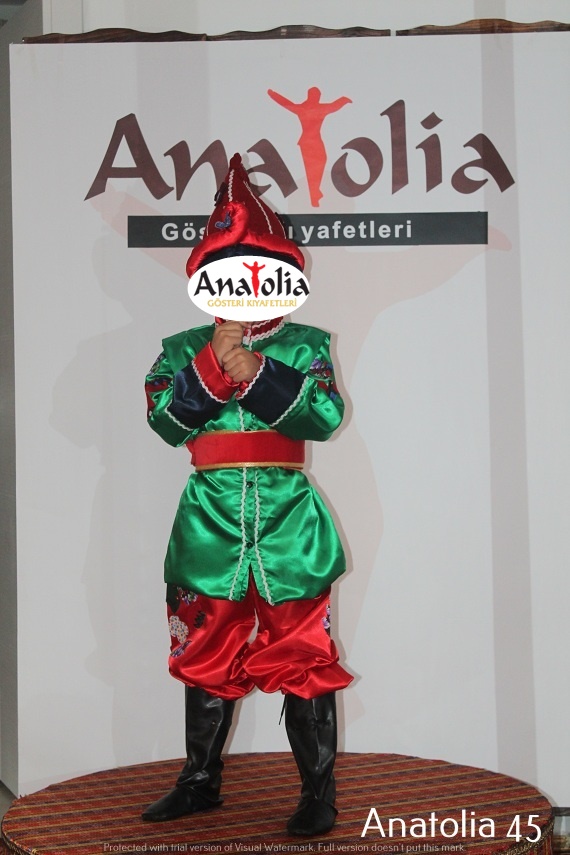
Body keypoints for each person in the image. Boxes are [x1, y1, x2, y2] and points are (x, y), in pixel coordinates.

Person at [142, 154, 352, 836]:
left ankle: (317, 794)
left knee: (305, 655)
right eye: (230, 267)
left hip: (292, 526)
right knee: (204, 652)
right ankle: (199, 782)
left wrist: (259, 370)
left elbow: (324, 417)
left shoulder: (307, 345)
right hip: (208, 526)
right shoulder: (179, 349)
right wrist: (212, 366)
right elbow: (164, 422)